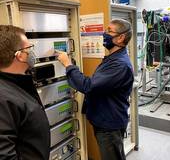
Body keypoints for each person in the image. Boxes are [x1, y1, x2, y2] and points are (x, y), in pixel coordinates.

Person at [57, 19, 134, 160]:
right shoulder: (113, 58)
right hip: (105, 119)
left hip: (109, 124)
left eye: (109, 31)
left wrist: (68, 64)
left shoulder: (119, 64)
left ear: (121, 37)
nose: (104, 34)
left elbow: (88, 86)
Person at [0, 25, 50, 160]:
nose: (32, 53)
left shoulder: (18, 83)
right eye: (29, 48)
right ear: (19, 56)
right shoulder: (3, 98)